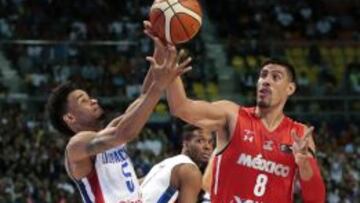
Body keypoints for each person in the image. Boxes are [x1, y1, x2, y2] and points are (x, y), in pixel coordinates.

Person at [46, 35, 192, 203]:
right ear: (70, 117)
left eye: (89, 97)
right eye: (83, 100)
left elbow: (143, 99)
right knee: (183, 170)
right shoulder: (76, 145)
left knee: (181, 165)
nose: (93, 100)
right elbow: (124, 134)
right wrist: (159, 85)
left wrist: (160, 48)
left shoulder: (111, 132)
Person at [165, 58, 326, 202]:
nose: (266, 81)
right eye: (263, 75)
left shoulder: (298, 134)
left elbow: (316, 199)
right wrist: (170, 72)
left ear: (290, 88)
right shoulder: (232, 116)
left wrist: (304, 162)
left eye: (275, 77)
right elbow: (180, 108)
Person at [140, 124, 214, 203]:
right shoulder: (190, 170)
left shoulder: (166, 163)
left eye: (210, 142)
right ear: (185, 143)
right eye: (200, 141)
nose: (207, 147)